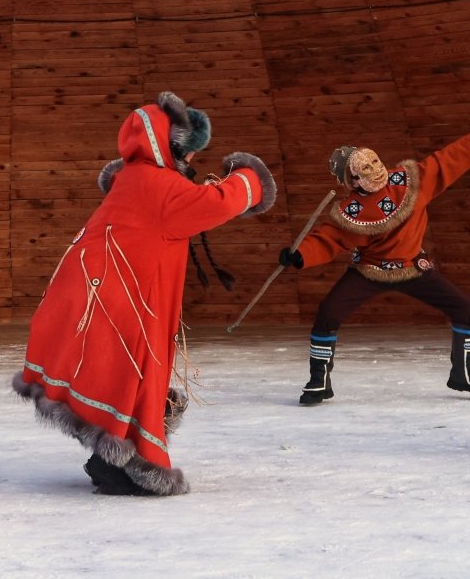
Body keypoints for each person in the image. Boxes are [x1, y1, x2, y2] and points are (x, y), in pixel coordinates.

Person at [14, 91, 276, 496]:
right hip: (120, 302)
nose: (193, 157)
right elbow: (219, 203)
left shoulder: (132, 178)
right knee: (131, 376)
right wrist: (249, 177)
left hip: (96, 294)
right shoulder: (161, 186)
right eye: (190, 150)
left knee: (116, 375)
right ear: (174, 147)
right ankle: (127, 465)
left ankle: (112, 459)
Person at [278, 108, 470, 406]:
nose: (376, 169)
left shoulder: (410, 181)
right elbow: (329, 238)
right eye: (365, 168)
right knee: (328, 312)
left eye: (375, 161)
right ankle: (318, 381)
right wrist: (299, 255)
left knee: (464, 307)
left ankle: (464, 374)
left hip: (412, 267)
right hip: (370, 271)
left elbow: (447, 161)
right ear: (354, 181)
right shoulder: (352, 212)